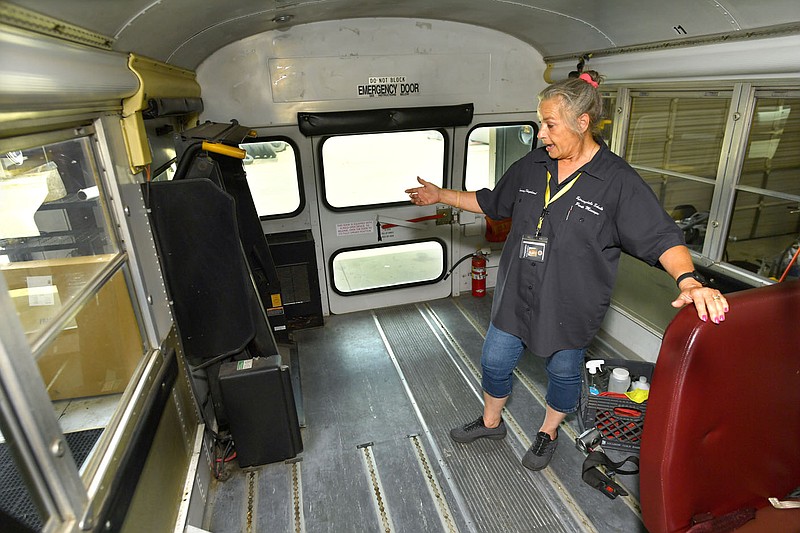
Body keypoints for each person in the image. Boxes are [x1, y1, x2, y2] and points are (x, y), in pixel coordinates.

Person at [404, 70, 729, 471]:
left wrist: (689, 280)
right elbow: (491, 202)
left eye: (549, 124)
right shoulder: (534, 163)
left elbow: (662, 236)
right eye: (541, 123)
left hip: (570, 304)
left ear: (582, 121)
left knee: (562, 373)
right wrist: (442, 195)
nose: (541, 134)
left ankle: (548, 432)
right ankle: (491, 423)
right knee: (493, 361)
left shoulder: (617, 182)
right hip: (516, 294)